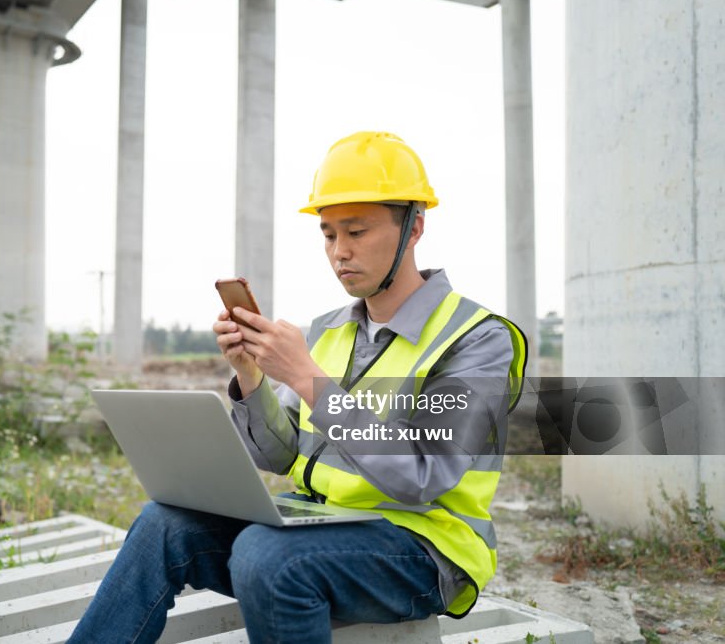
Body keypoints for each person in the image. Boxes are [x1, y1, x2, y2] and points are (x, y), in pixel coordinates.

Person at [68, 131, 527, 643]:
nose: (340, 253)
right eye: (329, 235)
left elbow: (424, 475)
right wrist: (252, 374)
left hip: (425, 549)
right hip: (324, 528)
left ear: (414, 227)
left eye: (357, 232)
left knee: (268, 557)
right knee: (162, 525)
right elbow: (280, 456)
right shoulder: (330, 329)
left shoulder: (477, 340)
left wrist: (308, 378)